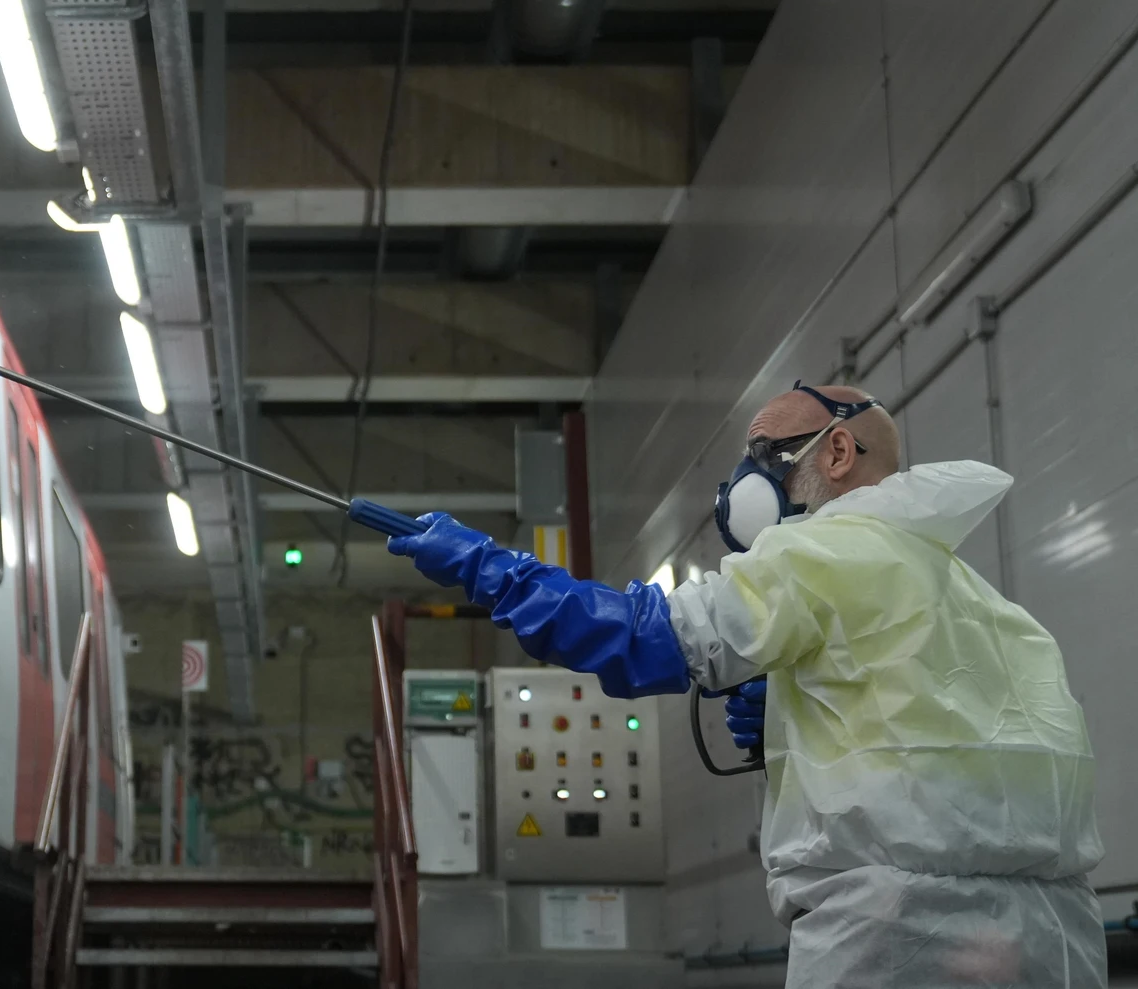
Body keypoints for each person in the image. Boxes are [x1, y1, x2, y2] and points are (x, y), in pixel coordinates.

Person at [386, 384, 1104, 988]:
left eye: (765, 454)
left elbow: (638, 636)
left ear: (838, 451)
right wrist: (797, 715)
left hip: (893, 936)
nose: (743, 480)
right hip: (1052, 942)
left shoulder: (822, 551)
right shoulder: (986, 603)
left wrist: (487, 567)